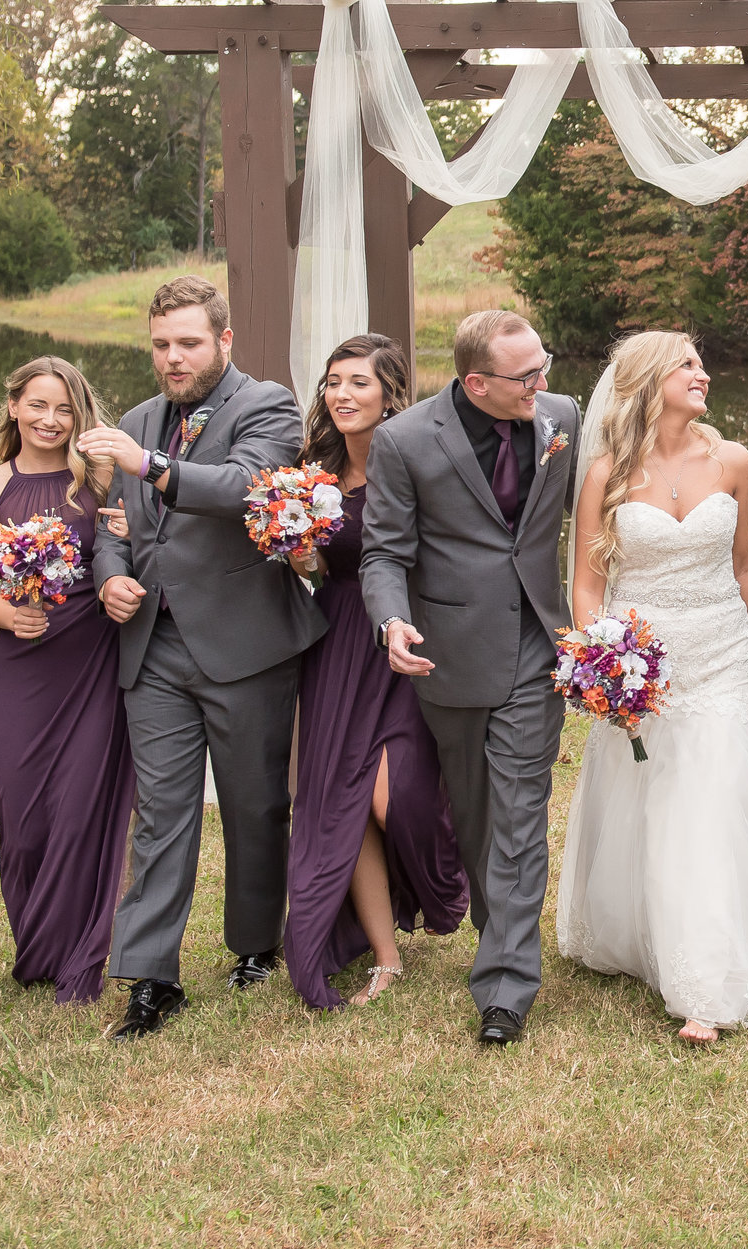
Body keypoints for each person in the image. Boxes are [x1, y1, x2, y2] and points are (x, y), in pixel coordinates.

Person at [75, 275, 326, 1041]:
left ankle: (254, 944)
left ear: (222, 340)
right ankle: (151, 977)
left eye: (188, 342)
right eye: (160, 345)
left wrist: (148, 464)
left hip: (246, 641)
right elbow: (120, 522)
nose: (172, 358)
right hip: (153, 644)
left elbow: (248, 485)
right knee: (160, 815)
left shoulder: (269, 404)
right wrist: (110, 572)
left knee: (255, 806)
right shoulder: (142, 417)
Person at [557, 331, 748, 1043]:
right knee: (657, 793)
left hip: (722, 650)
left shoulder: (732, 460)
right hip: (643, 661)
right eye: (687, 364)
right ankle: (651, 938)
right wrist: (600, 660)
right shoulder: (605, 472)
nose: (704, 373)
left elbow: (746, 564)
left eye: (702, 360)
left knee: (714, 794)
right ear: (646, 381)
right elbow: (587, 580)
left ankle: (713, 977)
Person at [360, 310, 583, 1047]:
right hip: (448, 651)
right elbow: (385, 551)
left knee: (521, 809)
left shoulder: (562, 417)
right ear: (474, 381)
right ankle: (501, 929)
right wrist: (391, 620)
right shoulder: (403, 440)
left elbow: (591, 512)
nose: (543, 385)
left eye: (543, 367)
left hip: (536, 646)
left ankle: (505, 988)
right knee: (478, 811)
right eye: (527, 376)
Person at [281, 335, 467, 1009]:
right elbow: (314, 567)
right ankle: (386, 956)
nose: (341, 394)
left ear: (390, 391)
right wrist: (298, 553)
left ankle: (446, 878)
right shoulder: (313, 470)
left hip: (407, 640)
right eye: (333, 382)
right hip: (337, 644)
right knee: (343, 800)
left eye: (358, 382)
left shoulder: (419, 457)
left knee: (399, 798)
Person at [0, 355, 134, 1006]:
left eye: (63, 408)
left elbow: (130, 544)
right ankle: (34, 944)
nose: (50, 420)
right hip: (22, 663)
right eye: (37, 405)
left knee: (82, 807)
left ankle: (82, 953)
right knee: (23, 812)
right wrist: (10, 613)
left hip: (93, 657)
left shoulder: (101, 479)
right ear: (12, 407)